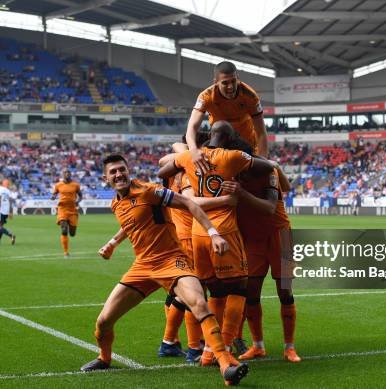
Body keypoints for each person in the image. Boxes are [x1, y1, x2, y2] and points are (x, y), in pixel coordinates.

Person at [81, 154, 249, 386]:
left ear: (129, 170)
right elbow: (131, 223)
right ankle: (104, 358)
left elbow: (189, 203)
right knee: (103, 322)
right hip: (142, 266)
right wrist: (112, 243)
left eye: (122, 169)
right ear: (105, 178)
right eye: (113, 172)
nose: (119, 174)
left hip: (171, 261)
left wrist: (213, 233)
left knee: (199, 303)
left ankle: (225, 364)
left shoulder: (149, 191)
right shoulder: (116, 203)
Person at [159, 121, 274, 365]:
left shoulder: (190, 158)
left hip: (196, 232)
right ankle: (220, 346)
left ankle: (202, 348)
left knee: (207, 291)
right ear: (230, 137)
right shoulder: (231, 156)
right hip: (222, 232)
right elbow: (267, 165)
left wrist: (186, 153)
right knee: (238, 289)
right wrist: (231, 196)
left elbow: (162, 170)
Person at [217, 136, 301, 363]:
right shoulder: (228, 174)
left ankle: (289, 348)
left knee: (285, 291)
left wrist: (241, 193)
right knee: (251, 294)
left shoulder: (267, 172)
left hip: (279, 237)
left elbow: (269, 207)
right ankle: (258, 346)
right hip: (252, 240)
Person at [185, 61, 268, 175]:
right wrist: (193, 151)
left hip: (244, 145)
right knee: (181, 146)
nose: (230, 87)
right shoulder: (206, 96)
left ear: (238, 78)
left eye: (233, 81)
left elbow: (261, 132)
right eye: (225, 83)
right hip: (220, 144)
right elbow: (192, 127)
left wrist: (263, 160)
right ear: (216, 82)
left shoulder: (250, 96)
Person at [51, 169, 82, 258]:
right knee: (64, 230)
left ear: (70, 174)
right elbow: (54, 193)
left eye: (68, 172)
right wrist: (53, 196)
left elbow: (81, 196)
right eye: (65, 172)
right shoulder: (58, 185)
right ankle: (66, 252)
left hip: (72, 210)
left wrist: (78, 201)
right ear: (63, 174)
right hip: (62, 209)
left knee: (72, 233)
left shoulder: (76, 185)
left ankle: (73, 221)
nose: (67, 174)